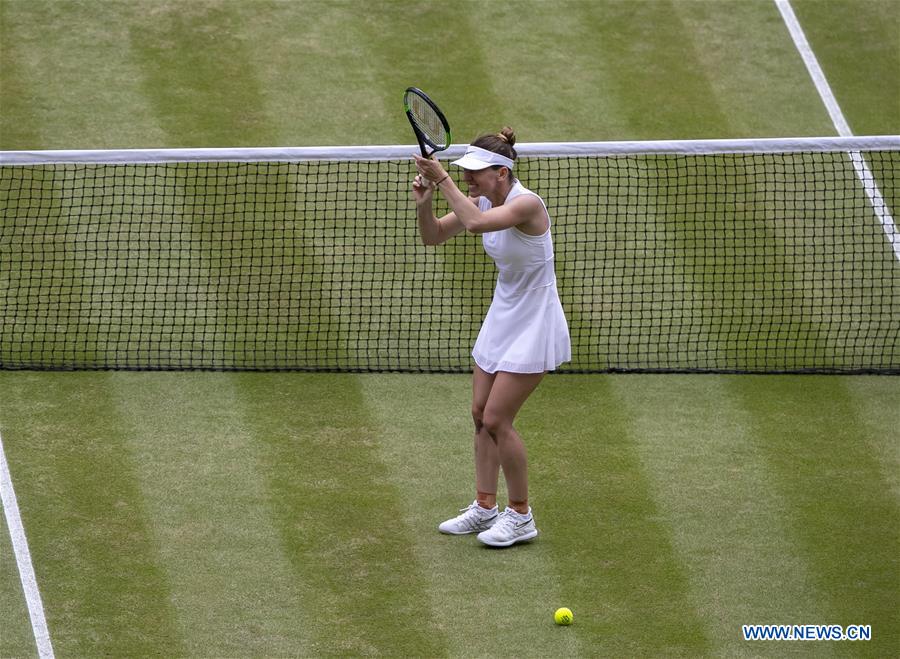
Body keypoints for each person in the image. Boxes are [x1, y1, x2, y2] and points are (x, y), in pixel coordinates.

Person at [412, 127, 571, 547]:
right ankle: (485, 507)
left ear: (502, 173)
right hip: (502, 316)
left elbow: (477, 224)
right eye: (464, 173)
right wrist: (425, 204)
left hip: (535, 320)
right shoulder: (481, 198)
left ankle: (521, 515)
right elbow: (433, 237)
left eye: (475, 175)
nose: (468, 180)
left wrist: (442, 179)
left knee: (499, 419)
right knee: (480, 414)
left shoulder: (527, 204)